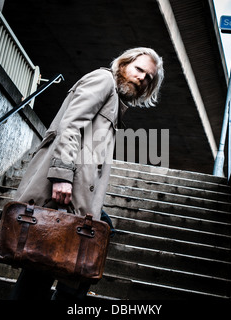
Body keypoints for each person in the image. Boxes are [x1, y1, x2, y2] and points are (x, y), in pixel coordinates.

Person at [9, 47, 164, 300]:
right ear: (123, 64)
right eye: (139, 70)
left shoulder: (115, 100)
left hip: (80, 194)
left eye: (149, 77)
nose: (142, 78)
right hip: (66, 189)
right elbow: (70, 126)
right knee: (43, 265)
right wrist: (62, 176)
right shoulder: (103, 80)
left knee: (55, 260)